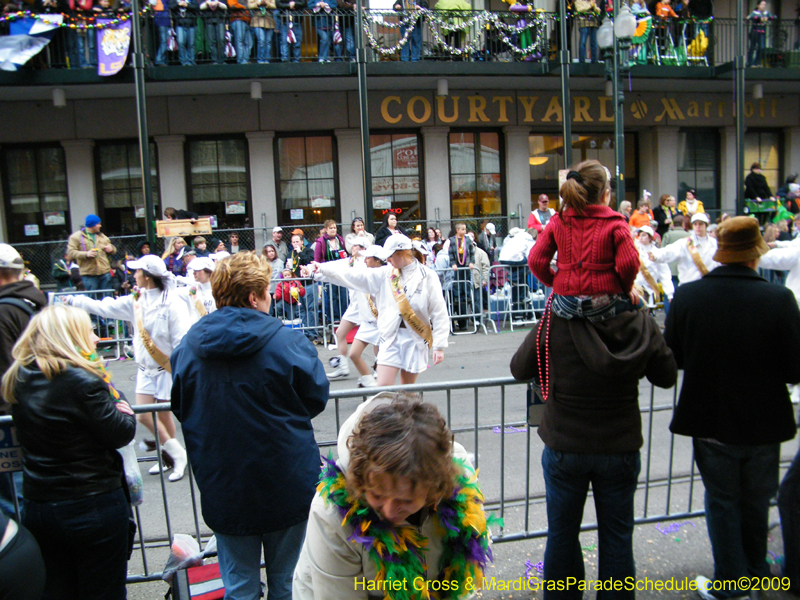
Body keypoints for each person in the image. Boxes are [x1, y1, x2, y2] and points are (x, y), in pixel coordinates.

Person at [171, 251, 328, 600]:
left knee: (239, 586)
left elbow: (181, 405)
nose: (271, 298)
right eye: (268, 291)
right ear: (254, 297)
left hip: (223, 481)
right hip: (285, 478)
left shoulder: (188, 347)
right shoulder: (286, 341)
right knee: (289, 584)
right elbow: (315, 397)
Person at [511, 279, 676, 600]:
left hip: (565, 446)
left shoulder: (558, 316)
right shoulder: (638, 319)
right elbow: (666, 375)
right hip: (620, 446)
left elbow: (520, 367)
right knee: (617, 537)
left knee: (562, 536)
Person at [663, 216, 800, 600]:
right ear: (755, 256)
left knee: (722, 502)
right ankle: (755, 576)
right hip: (764, 420)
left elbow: (675, 356)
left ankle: (732, 582)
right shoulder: (779, 299)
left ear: (722, 255)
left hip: (711, 418)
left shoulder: (690, 297)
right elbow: (795, 367)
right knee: (757, 502)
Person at [292, 393, 498, 599]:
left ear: (434, 487)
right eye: (377, 495)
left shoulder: (458, 480)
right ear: (360, 481)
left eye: (406, 500)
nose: (389, 512)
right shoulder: (331, 511)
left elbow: (463, 571)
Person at [3, 304, 137, 600]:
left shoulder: (21, 377)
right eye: (89, 331)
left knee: (58, 588)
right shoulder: (84, 380)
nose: (95, 338)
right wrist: (122, 404)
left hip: (41, 503)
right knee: (103, 590)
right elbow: (120, 431)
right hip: (92, 503)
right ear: (72, 336)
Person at [64, 255, 190, 482]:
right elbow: (105, 307)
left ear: (148, 276)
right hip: (144, 368)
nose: (133, 275)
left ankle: (169, 458)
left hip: (166, 368)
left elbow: (181, 340)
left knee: (163, 413)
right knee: (143, 415)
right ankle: (177, 453)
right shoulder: (135, 300)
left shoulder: (173, 302)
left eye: (137, 271)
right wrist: (75, 301)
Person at [304, 234, 448, 386]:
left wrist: (439, 346)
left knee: (407, 392)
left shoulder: (428, 276)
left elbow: (439, 312)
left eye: (390, 256)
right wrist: (322, 270)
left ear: (401, 253)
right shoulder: (386, 273)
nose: (388, 260)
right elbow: (353, 276)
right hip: (390, 337)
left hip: (414, 338)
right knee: (382, 389)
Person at [528, 160, 641, 323]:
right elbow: (629, 264)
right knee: (642, 312)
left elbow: (536, 261)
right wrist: (626, 288)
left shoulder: (557, 222)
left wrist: (556, 281)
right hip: (604, 300)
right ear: (605, 195)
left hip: (565, 302)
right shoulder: (616, 223)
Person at [0, 244, 48, 517]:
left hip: (11, 421)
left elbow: (5, 373)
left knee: (13, 503)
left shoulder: (4, 311)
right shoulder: (33, 303)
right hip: (35, 411)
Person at [649, 212, 719, 285]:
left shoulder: (715, 244)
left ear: (706, 225)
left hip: (708, 285)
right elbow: (669, 251)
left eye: (700, 224)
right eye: (695, 224)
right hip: (689, 286)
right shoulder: (685, 243)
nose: (698, 226)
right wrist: (655, 255)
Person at [66, 213, 116, 293]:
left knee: (107, 298)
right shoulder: (76, 237)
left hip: (105, 272)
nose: (100, 226)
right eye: (98, 224)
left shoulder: (102, 236)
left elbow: (113, 249)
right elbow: (70, 252)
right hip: (89, 274)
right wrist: (86, 254)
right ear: (93, 225)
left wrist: (112, 249)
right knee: (93, 299)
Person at [634, 226, 674, 310]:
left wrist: (670, 293)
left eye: (644, 235)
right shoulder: (634, 251)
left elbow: (665, 274)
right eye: (640, 235)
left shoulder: (657, 253)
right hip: (637, 288)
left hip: (650, 290)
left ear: (650, 237)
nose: (640, 238)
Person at [448, 222, 476, 331]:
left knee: (466, 281)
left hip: (465, 265)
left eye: (465, 229)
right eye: (463, 229)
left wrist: (471, 262)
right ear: (457, 230)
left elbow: (471, 253)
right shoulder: (452, 241)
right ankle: (458, 295)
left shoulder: (468, 240)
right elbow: (450, 254)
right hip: (457, 266)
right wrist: (453, 263)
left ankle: (466, 295)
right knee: (457, 283)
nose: (465, 231)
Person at [177, 256, 217, 324]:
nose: (194, 273)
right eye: (194, 271)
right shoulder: (193, 290)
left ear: (208, 272)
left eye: (197, 270)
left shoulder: (218, 290)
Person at [747, 0, 772, 67]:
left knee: (762, 47)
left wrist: (767, 18)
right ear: (758, 5)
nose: (764, 6)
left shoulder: (766, 13)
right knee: (752, 47)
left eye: (764, 5)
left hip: (762, 31)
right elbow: (749, 17)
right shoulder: (755, 12)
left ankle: (757, 62)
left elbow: (772, 17)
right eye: (762, 4)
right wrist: (758, 18)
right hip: (755, 31)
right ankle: (750, 62)